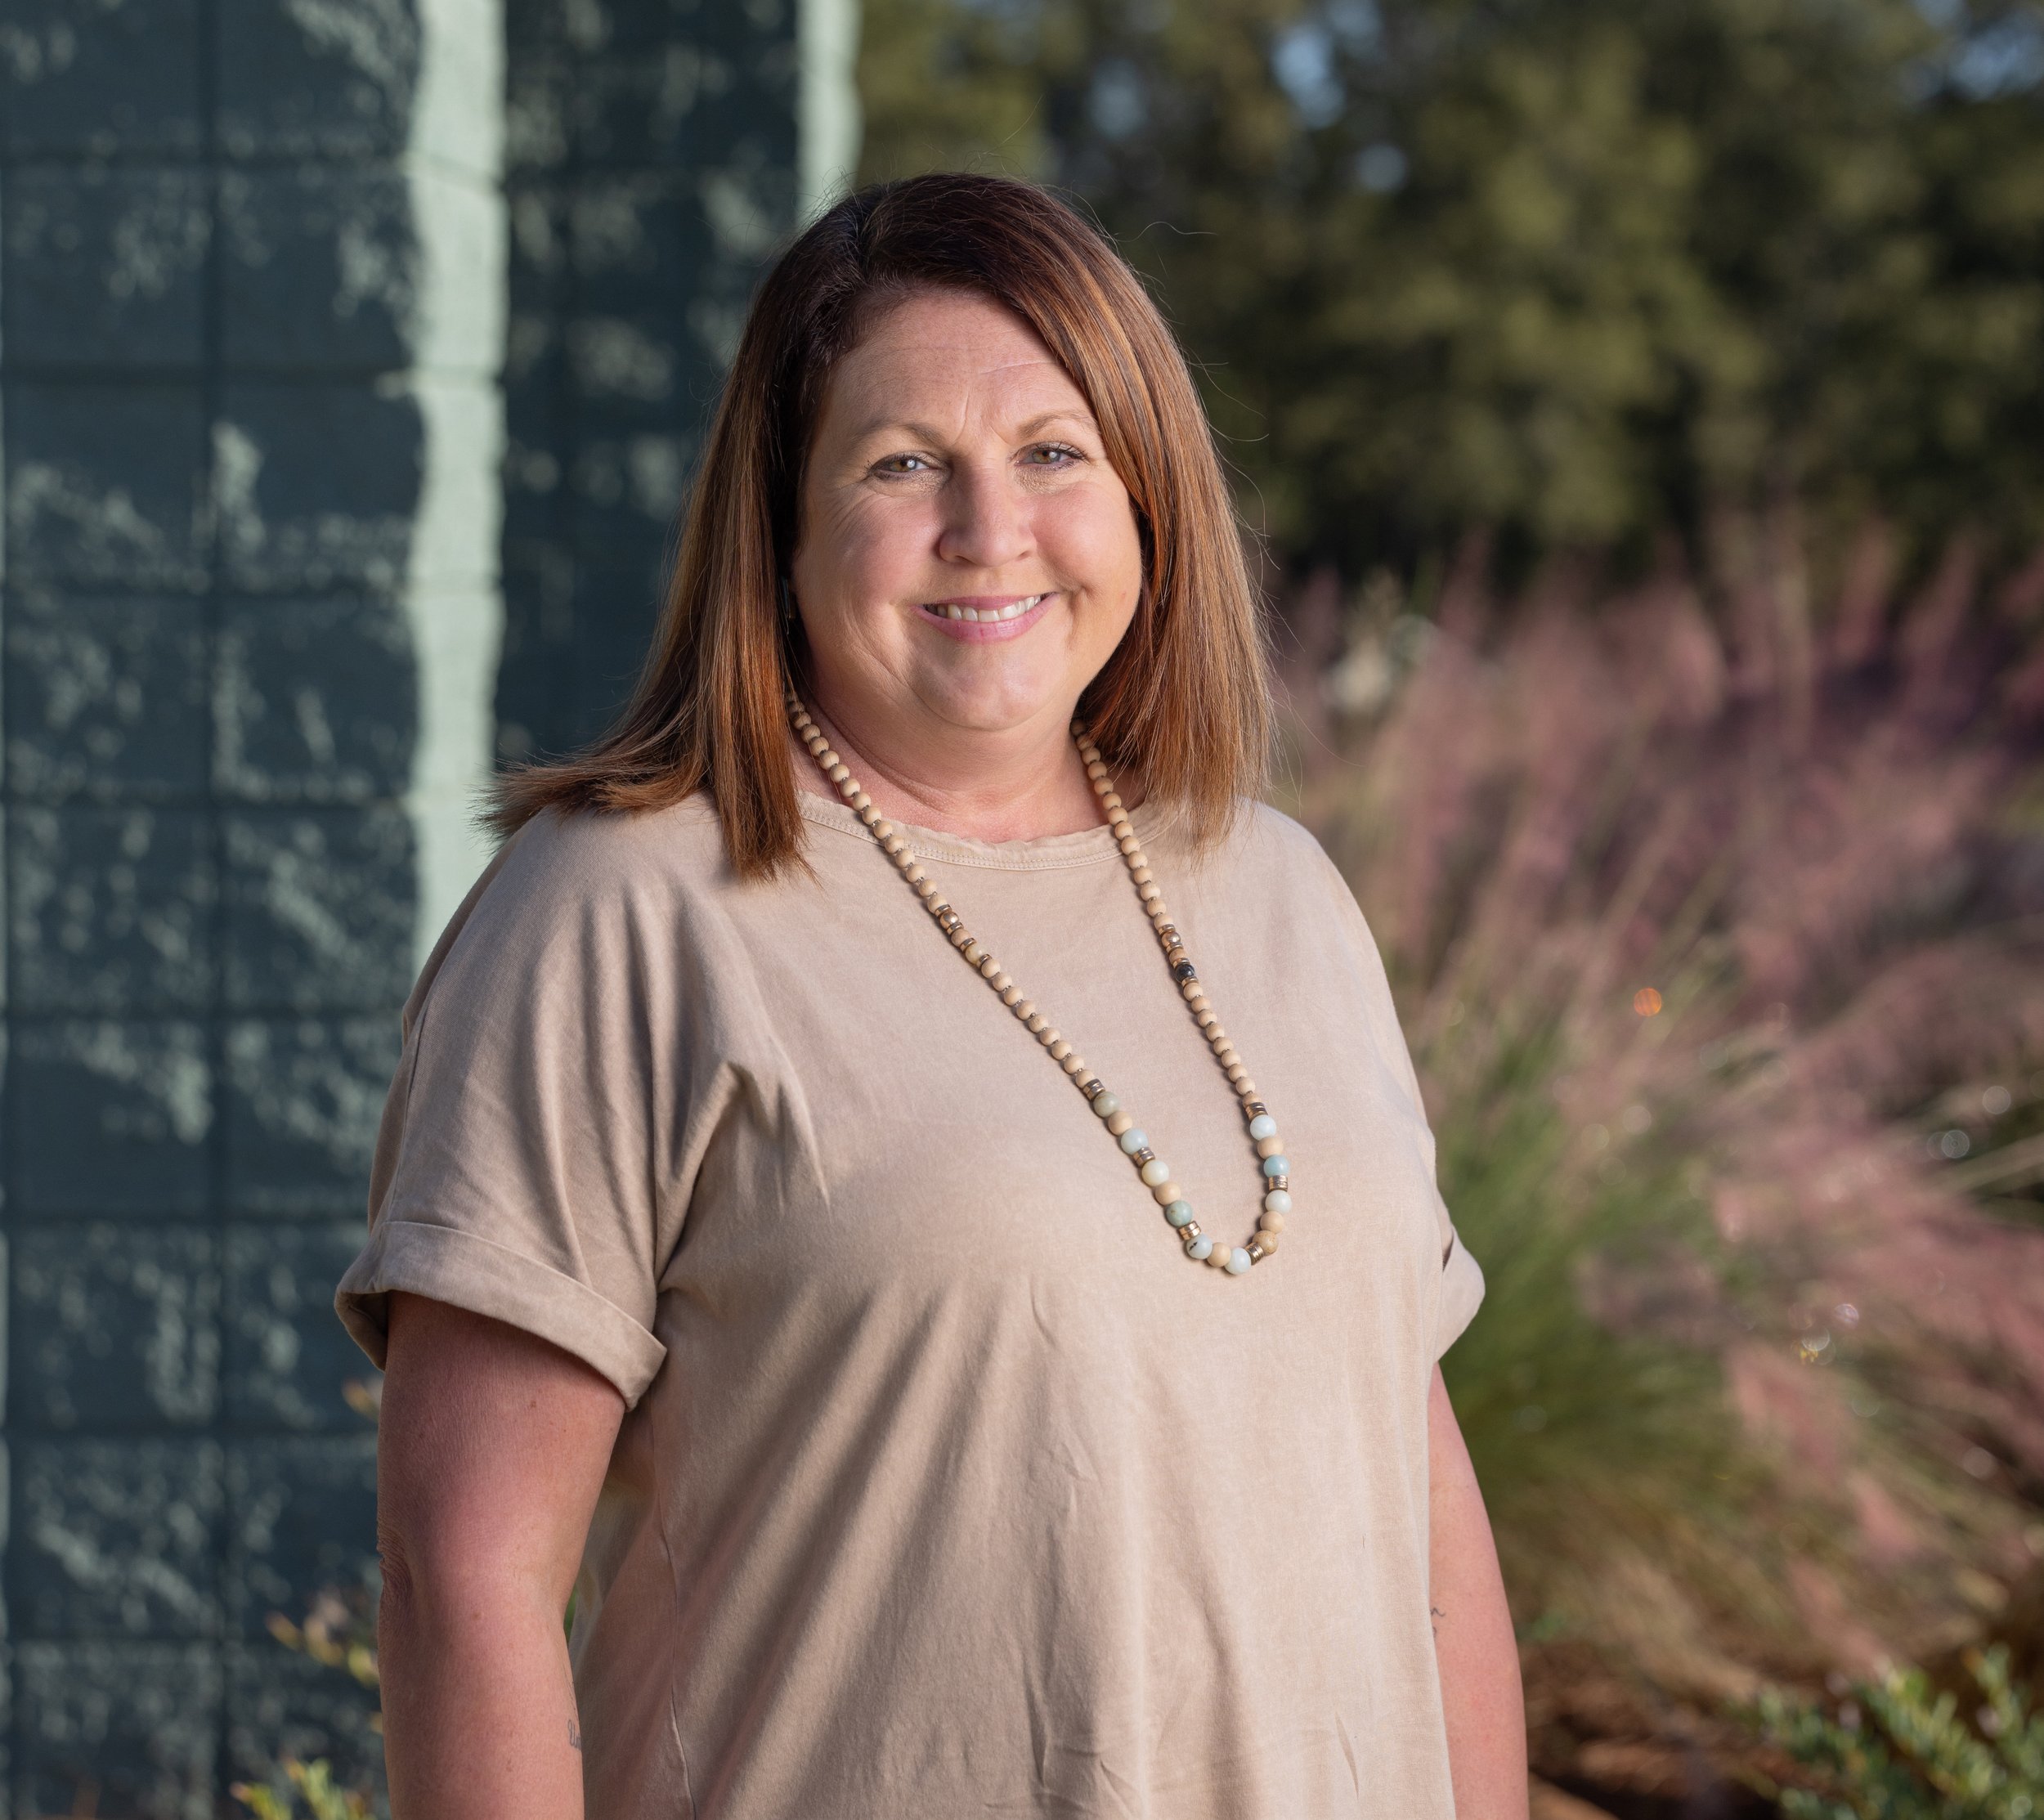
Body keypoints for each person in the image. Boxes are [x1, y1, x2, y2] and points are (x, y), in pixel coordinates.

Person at [338, 171, 1526, 1819]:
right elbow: (459, 1582)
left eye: (1053, 452)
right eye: (903, 466)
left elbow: (1422, 1516)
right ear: (784, 520)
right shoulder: (620, 913)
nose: (991, 531)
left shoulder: (1280, 895)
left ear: (1146, 495)